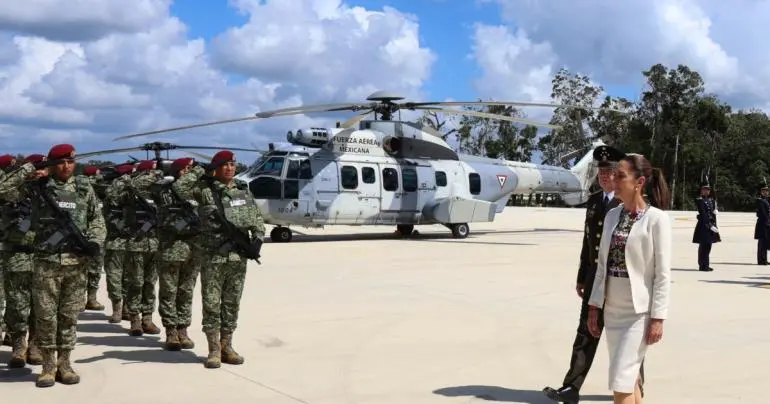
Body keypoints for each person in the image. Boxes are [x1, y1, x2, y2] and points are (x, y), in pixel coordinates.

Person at [0, 144, 106, 388]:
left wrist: (95, 241)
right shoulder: (38, 188)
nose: (66, 166)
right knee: (47, 317)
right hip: (46, 263)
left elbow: (96, 219)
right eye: (61, 162)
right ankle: (48, 366)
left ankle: (65, 364)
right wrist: (29, 167)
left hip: (76, 263)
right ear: (51, 164)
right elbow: (3, 189)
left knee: (68, 317)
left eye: (70, 162)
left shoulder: (83, 187)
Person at [544, 144, 632, 404]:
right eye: (601, 171)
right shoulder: (594, 201)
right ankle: (571, 387)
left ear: (619, 173)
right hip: (595, 280)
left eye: (610, 171)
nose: (604, 175)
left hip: (619, 283)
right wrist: (583, 275)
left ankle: (635, 386)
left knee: (626, 338)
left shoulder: (627, 203)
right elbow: (587, 242)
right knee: (585, 333)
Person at [587, 153, 672, 404]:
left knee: (620, 381)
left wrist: (658, 317)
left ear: (639, 182)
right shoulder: (612, 216)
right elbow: (602, 265)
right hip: (612, 309)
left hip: (638, 312)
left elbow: (662, 274)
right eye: (614, 174)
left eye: (620, 175)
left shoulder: (657, 220)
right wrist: (594, 306)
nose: (613, 179)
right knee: (629, 377)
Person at [173, 151, 265, 368]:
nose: (229, 168)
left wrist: (258, 240)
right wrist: (198, 170)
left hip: (238, 257)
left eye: (232, 164)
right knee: (212, 303)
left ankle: (227, 346)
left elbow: (256, 219)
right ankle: (213, 349)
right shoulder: (204, 190)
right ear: (216, 167)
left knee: (232, 304)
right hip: (213, 256)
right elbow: (179, 188)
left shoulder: (242, 191)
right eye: (224, 165)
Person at [1, 154, 46, 368]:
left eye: (43, 168)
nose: (39, 172)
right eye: (37, 168)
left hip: (43, 257)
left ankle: (35, 346)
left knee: (40, 305)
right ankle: (18, 346)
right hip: (17, 255)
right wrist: (26, 171)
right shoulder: (14, 192)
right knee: (17, 305)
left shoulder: (49, 191)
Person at [152, 157, 200, 350]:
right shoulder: (167, 192)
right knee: (169, 292)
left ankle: (183, 329)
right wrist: (192, 225)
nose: (190, 172)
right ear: (178, 171)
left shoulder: (198, 192)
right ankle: (171, 331)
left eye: (192, 169)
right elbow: (170, 220)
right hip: (171, 250)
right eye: (187, 168)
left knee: (186, 292)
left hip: (193, 251)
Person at [81, 165, 105, 310]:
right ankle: (87, 298)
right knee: (87, 269)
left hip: (94, 234)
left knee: (94, 269)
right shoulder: (85, 187)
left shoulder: (93, 190)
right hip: (84, 235)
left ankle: (90, 299)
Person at [692, 181, 720, 271]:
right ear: (701, 190)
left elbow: (711, 214)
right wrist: (709, 225)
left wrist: (714, 215)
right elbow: (703, 214)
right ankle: (702, 265)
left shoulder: (711, 200)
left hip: (711, 225)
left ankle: (706, 264)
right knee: (703, 246)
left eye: (708, 189)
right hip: (704, 225)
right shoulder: (699, 200)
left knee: (708, 245)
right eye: (704, 189)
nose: (706, 191)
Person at [754, 184, 770, 265]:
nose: (766, 192)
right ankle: (761, 260)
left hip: (767, 224)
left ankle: (764, 259)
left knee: (766, 242)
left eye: (767, 190)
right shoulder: (760, 200)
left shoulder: (767, 200)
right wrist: (768, 220)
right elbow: (763, 213)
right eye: (764, 191)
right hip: (762, 224)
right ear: (761, 192)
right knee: (762, 243)